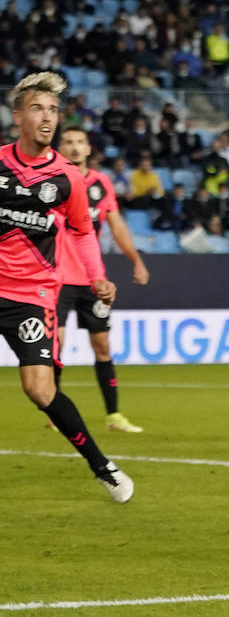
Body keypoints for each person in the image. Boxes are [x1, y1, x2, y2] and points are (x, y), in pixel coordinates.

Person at [0, 73, 131, 502]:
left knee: (39, 388)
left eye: (54, 110)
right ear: (17, 115)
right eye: (38, 108)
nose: (47, 118)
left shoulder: (68, 177)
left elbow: (81, 231)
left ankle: (102, 467)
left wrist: (97, 275)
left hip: (31, 294)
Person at [54, 127, 149, 433]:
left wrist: (136, 259)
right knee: (56, 342)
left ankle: (114, 415)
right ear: (60, 147)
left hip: (93, 279)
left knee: (103, 346)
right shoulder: (51, 180)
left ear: (89, 148)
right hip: (57, 276)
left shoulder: (101, 182)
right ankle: (54, 411)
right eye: (68, 142)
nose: (74, 147)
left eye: (80, 142)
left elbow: (117, 227)